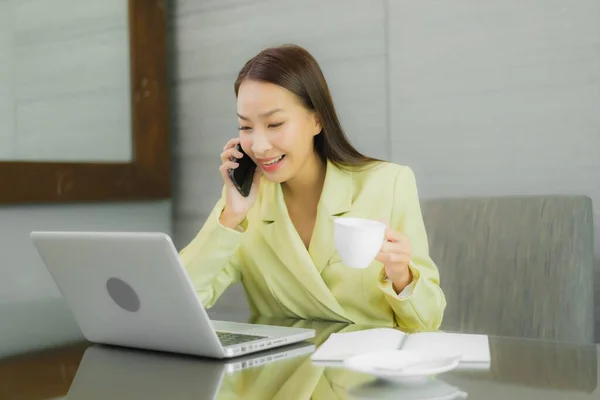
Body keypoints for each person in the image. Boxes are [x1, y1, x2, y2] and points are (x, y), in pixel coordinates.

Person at [179, 44, 446, 331]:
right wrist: (231, 215)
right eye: (245, 127)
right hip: (282, 373)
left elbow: (427, 323)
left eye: (275, 124)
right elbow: (181, 300)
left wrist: (402, 276)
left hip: (365, 371)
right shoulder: (243, 205)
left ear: (317, 119)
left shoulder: (389, 184)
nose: (258, 145)